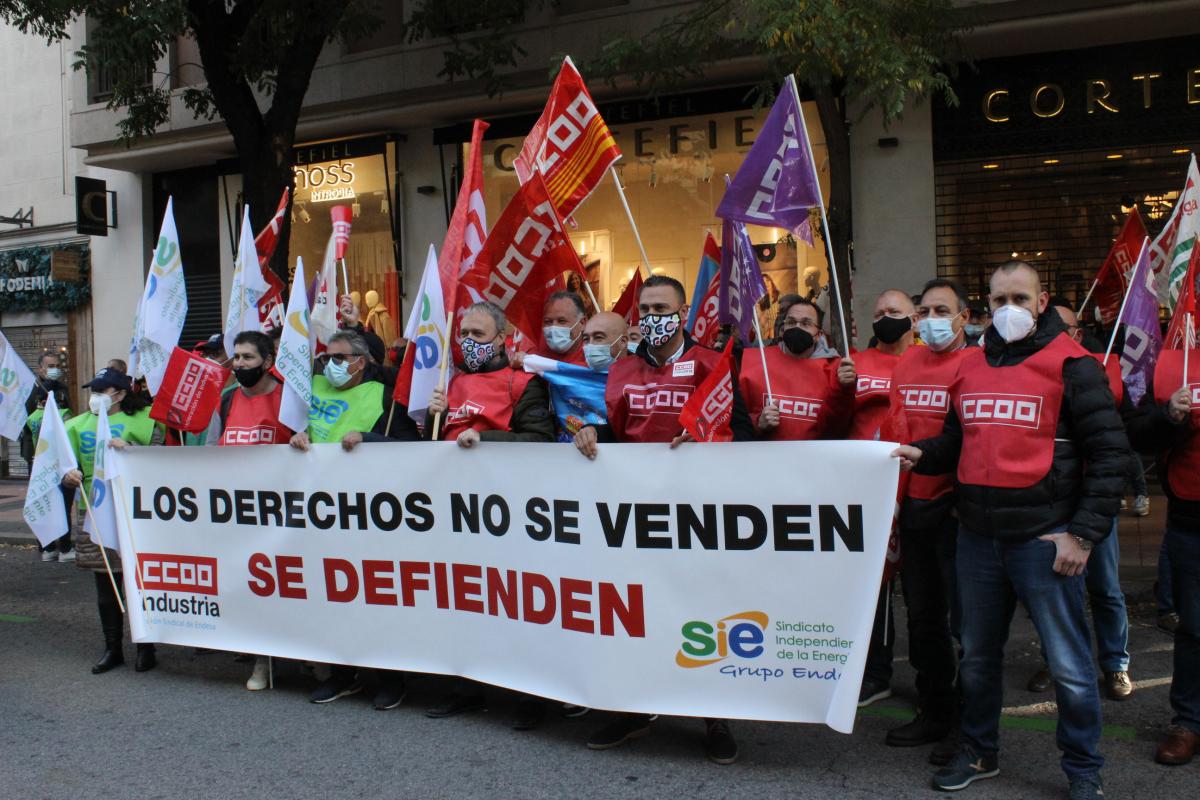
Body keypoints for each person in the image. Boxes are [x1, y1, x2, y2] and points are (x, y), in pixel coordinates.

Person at [893, 260, 1128, 798]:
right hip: (976, 538)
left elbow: (1111, 455)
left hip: (1044, 540)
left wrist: (1083, 535)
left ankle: (1083, 770)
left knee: (1069, 666)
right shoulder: (970, 365)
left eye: (1020, 299)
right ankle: (979, 753)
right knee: (977, 658)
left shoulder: (1074, 364)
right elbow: (957, 441)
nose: (1009, 310)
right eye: (1000, 300)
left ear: (1042, 303)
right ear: (987, 305)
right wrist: (920, 455)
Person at [573, 274, 750, 765]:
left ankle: (714, 715)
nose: (652, 317)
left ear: (683, 310)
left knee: (702, 614)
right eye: (645, 309)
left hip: (698, 513)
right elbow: (617, 431)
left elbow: (746, 432)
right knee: (636, 612)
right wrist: (592, 433)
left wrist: (709, 439)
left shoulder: (713, 364)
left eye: (661, 308)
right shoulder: (623, 370)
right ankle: (635, 709)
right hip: (634, 514)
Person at [423, 301, 554, 723]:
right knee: (463, 600)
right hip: (457, 510)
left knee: (515, 602)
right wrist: (432, 418)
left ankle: (530, 696)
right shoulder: (451, 383)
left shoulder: (522, 383)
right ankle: (466, 687)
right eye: (464, 334)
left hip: (507, 509)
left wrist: (485, 443)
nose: (468, 342)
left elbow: (539, 440)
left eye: (478, 335)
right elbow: (432, 449)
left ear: (501, 339)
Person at [289, 330, 419, 708]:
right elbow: (297, 429)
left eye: (340, 358)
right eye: (328, 356)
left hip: (370, 516)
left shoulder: (384, 396)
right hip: (321, 514)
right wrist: (296, 439)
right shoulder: (311, 388)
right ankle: (343, 674)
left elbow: (412, 450)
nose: (331, 364)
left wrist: (368, 438)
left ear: (361, 363)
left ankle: (390, 679)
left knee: (377, 599)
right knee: (331, 598)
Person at [1020, 301, 1133, 702]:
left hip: (1094, 507)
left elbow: (1119, 442)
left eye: (1063, 327)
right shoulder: (1029, 371)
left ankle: (1115, 665)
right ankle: (1056, 662)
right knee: (1053, 596)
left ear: (1078, 334)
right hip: (1052, 506)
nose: (1053, 334)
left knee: (1104, 589)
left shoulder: (1098, 371)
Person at [885, 279, 975, 762]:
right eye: (924, 310)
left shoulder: (978, 364)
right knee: (923, 620)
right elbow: (894, 426)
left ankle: (970, 724)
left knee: (968, 625)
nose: (931, 318)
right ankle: (936, 708)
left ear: (964, 318)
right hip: (914, 506)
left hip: (958, 512)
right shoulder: (909, 361)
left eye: (943, 309)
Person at [62, 367, 164, 674]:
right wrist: (69, 475)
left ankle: (146, 647)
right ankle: (113, 648)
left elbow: (163, 463)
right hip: (94, 510)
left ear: (120, 394)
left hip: (136, 509)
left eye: (101, 391)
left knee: (139, 579)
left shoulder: (147, 420)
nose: (94, 398)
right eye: (92, 391)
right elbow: (65, 466)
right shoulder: (77, 425)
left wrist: (132, 451)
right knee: (105, 582)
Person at [1125, 344, 1197, 765]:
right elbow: (1137, 432)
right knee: (1194, 628)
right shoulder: (1173, 362)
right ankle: (1189, 721)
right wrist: (1170, 417)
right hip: (1192, 521)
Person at [215, 331, 296, 690]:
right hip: (241, 513)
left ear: (267, 361)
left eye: (248, 357)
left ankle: (312, 657)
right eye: (236, 357)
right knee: (255, 588)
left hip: (284, 511)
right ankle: (262, 661)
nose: (240, 364)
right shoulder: (228, 400)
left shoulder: (288, 399)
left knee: (294, 587)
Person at [850, 289, 918, 708]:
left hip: (921, 486)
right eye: (878, 313)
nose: (885, 318)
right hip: (866, 490)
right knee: (872, 587)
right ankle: (876, 672)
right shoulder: (852, 364)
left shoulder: (926, 362)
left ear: (913, 319)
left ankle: (938, 678)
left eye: (894, 311)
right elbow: (834, 417)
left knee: (926, 590)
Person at [738, 298, 856, 441]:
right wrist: (758, 423)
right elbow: (736, 422)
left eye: (806, 323)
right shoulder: (758, 362)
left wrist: (844, 389)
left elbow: (837, 430)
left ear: (818, 335)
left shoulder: (836, 371)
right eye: (791, 322)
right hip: (764, 460)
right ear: (782, 330)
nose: (797, 327)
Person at [23, 351, 74, 562]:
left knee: (63, 498)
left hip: (59, 453)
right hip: (37, 454)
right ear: (40, 369)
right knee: (42, 496)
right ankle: (46, 546)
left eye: (57, 364)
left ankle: (65, 545)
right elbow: (24, 422)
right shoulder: (31, 389)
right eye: (50, 365)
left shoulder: (62, 388)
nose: (54, 368)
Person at [511, 290, 590, 368]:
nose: (553, 328)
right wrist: (521, 360)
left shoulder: (595, 358)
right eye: (548, 322)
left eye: (562, 321)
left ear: (582, 323)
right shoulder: (536, 355)